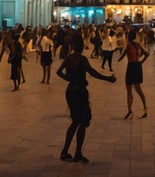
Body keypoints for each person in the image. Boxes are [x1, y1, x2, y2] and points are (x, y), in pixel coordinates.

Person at [56, 33, 116, 163]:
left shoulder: (69, 58)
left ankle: (65, 151)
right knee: (83, 122)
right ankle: (77, 152)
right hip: (79, 93)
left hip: (70, 91)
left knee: (75, 121)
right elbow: (92, 72)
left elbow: (58, 72)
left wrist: (69, 79)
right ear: (81, 46)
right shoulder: (82, 59)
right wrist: (108, 79)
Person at [118, 30, 148, 118]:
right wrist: (141, 62)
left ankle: (130, 111)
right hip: (137, 67)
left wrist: (118, 59)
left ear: (128, 37)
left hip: (131, 67)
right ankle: (145, 108)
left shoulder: (129, 45)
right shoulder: (138, 45)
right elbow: (147, 54)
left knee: (129, 89)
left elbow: (123, 55)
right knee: (138, 89)